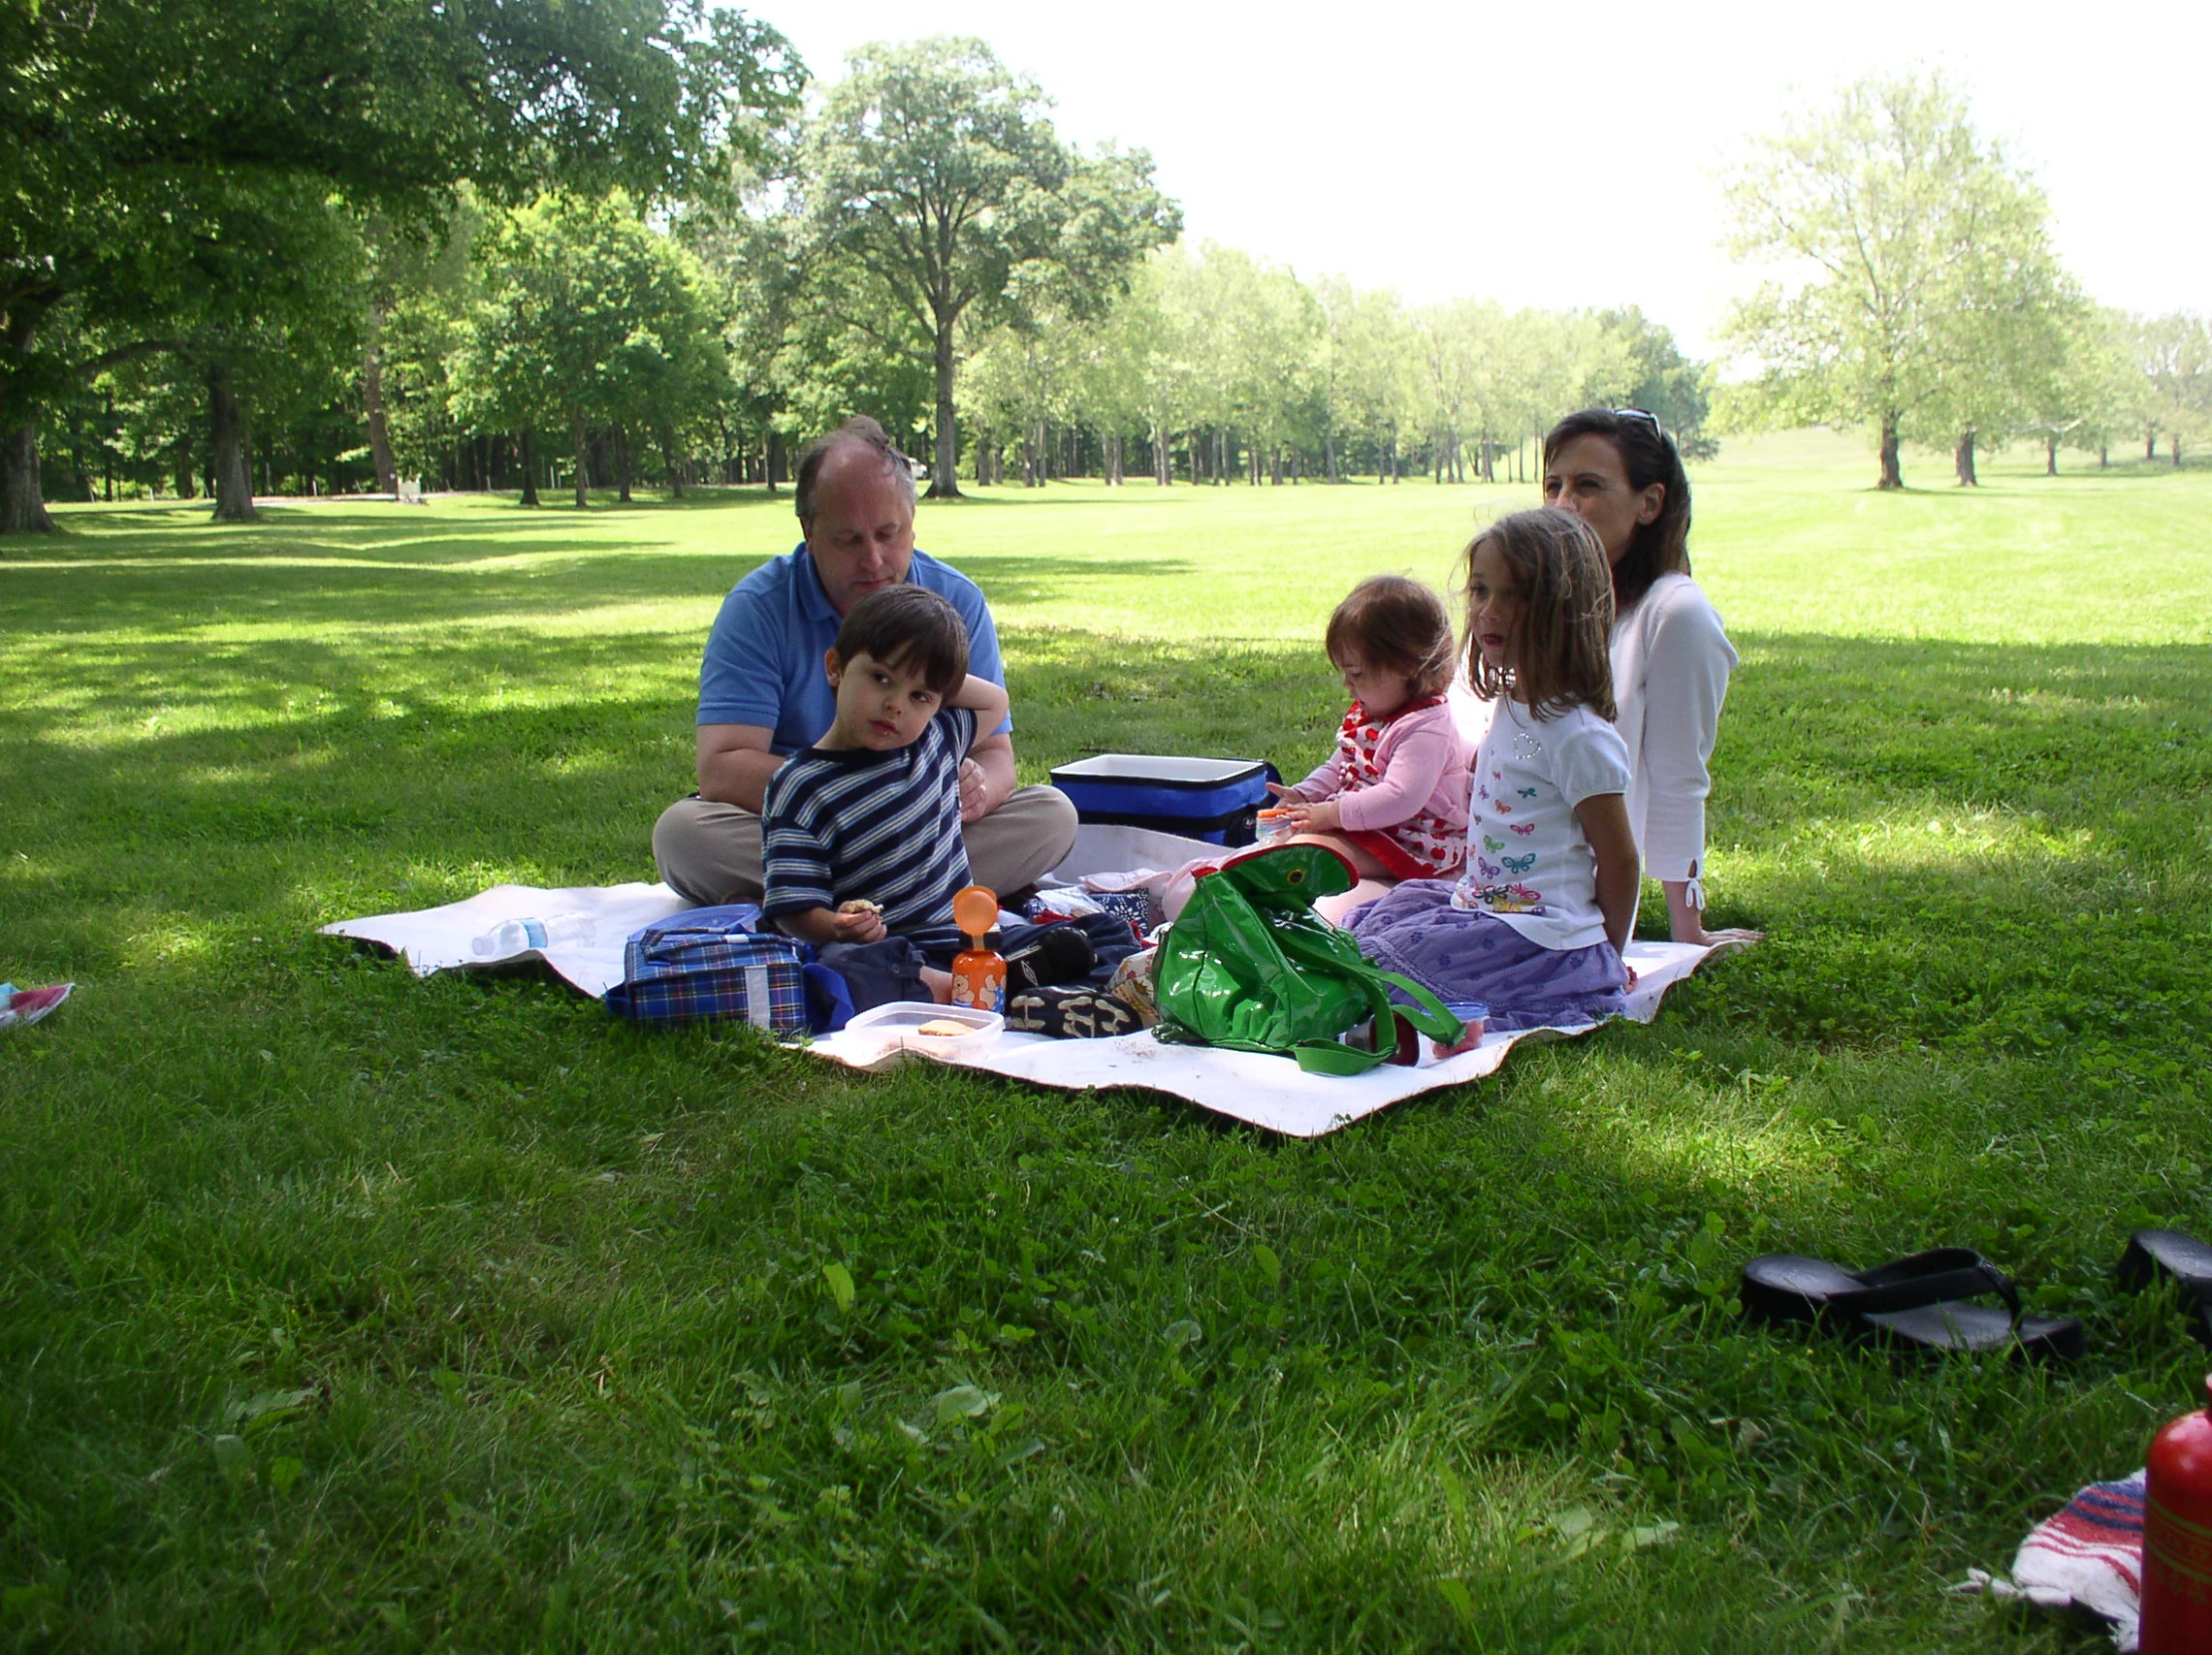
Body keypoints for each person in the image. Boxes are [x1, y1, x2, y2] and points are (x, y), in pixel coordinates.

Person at [652, 416, 1077, 906]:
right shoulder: (759, 607)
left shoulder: (957, 601)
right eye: (849, 539)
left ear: (913, 525)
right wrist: (853, 794)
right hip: (802, 829)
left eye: (887, 534)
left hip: (920, 836)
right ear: (809, 531)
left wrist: (979, 791)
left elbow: (996, 755)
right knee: (684, 835)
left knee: (1052, 816)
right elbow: (723, 769)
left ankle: (818, 902)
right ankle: (905, 898)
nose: (873, 560)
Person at [760, 583, 1130, 1016]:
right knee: (844, 970)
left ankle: (991, 984)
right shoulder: (801, 784)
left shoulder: (937, 737)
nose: (895, 705)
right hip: (887, 949)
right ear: (835, 667)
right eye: (881, 678)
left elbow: (995, 701)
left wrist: (936, 678)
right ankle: (989, 991)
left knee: (1106, 934)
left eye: (919, 695)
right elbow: (793, 909)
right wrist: (839, 927)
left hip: (965, 941)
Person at [1347, 508, 1639, 1032]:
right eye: (1481, 591)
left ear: (1565, 608)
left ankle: (1574, 982)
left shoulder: (1577, 735)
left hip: (1540, 938)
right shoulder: (1514, 700)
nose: (1490, 611)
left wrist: (1605, 963)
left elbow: (1619, 861)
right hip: (1488, 904)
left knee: (1385, 971)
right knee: (1384, 920)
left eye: (1516, 595)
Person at [1541, 408, 1757, 946]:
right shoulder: (1537, 600)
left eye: (1587, 485)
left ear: (1650, 502)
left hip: (1568, 893)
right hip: (1475, 851)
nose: (1563, 503)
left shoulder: (1676, 615)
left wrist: (1688, 932)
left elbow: (1678, 777)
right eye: (1553, 484)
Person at [1266, 574, 1472, 880]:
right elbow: (1339, 765)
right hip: (1371, 825)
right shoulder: (1374, 712)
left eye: (1356, 673)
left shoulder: (1426, 728)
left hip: (1411, 840)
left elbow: (1399, 798)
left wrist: (1329, 815)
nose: (1347, 684)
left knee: (1305, 852)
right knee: (1288, 838)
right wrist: (1305, 795)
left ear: (1406, 667)